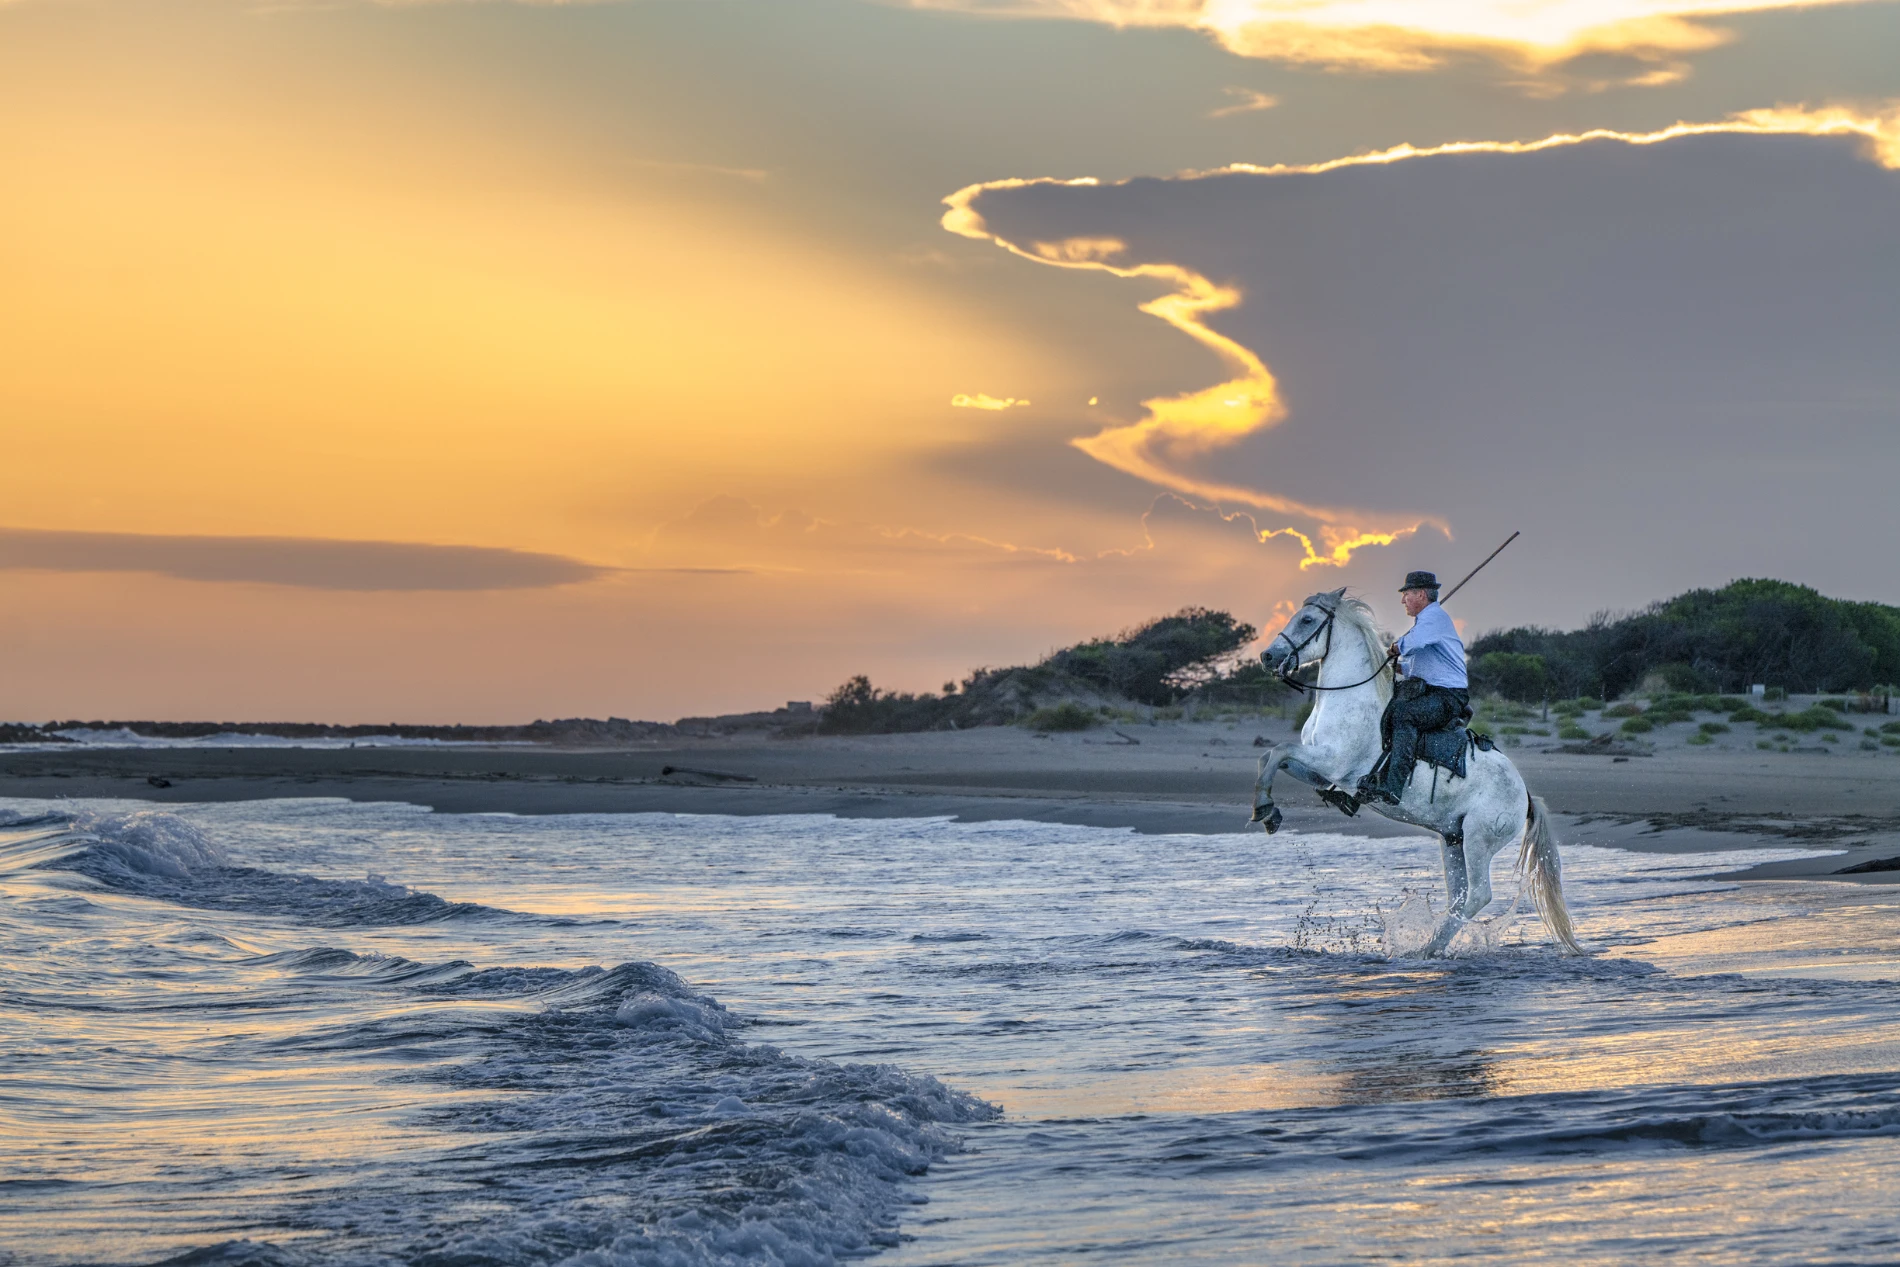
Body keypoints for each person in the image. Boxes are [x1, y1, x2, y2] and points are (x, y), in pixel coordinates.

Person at [1356, 571, 1470, 805]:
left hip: (1448, 697)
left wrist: (1395, 648)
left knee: (1404, 715)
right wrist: (1397, 667)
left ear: (1421, 594)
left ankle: (1394, 786)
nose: (1402, 600)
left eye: (1406, 594)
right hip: (1431, 690)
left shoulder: (1434, 617)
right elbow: (1419, 665)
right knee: (1389, 711)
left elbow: (1413, 642)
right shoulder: (1428, 622)